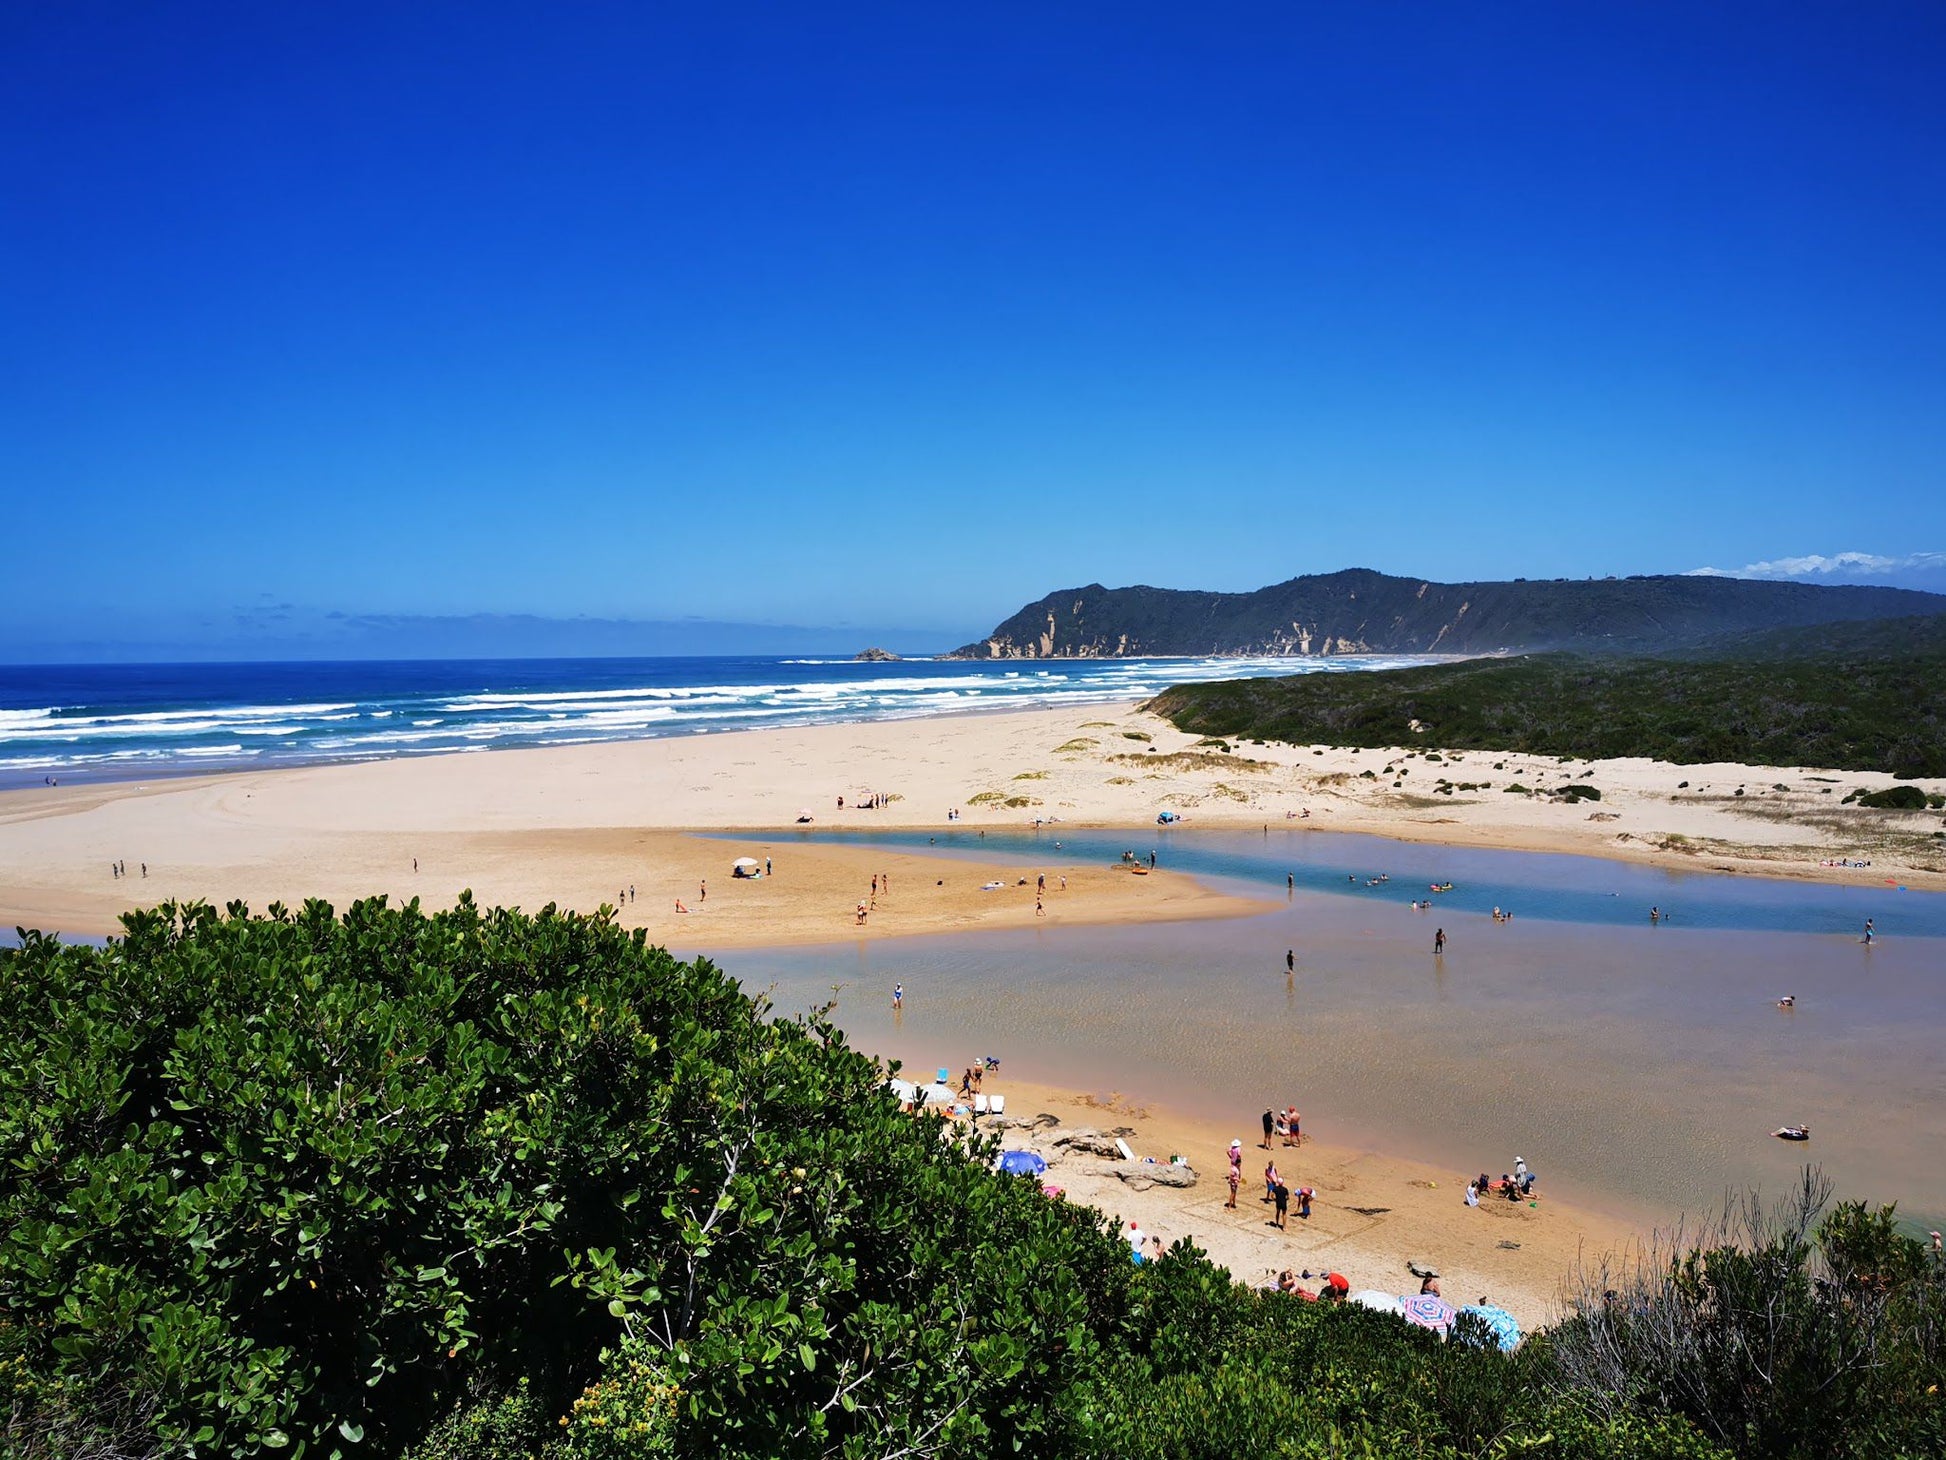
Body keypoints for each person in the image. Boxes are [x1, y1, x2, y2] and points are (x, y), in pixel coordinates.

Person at [1226, 1140, 1243, 1209]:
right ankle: (1230, 1205)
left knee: (1234, 1192)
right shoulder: (1238, 1149)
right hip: (1234, 1180)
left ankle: (1234, 1203)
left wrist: (1231, 1157)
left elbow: (1227, 1151)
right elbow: (1239, 1155)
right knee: (1233, 1192)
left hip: (1233, 1162)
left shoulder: (1232, 1148)